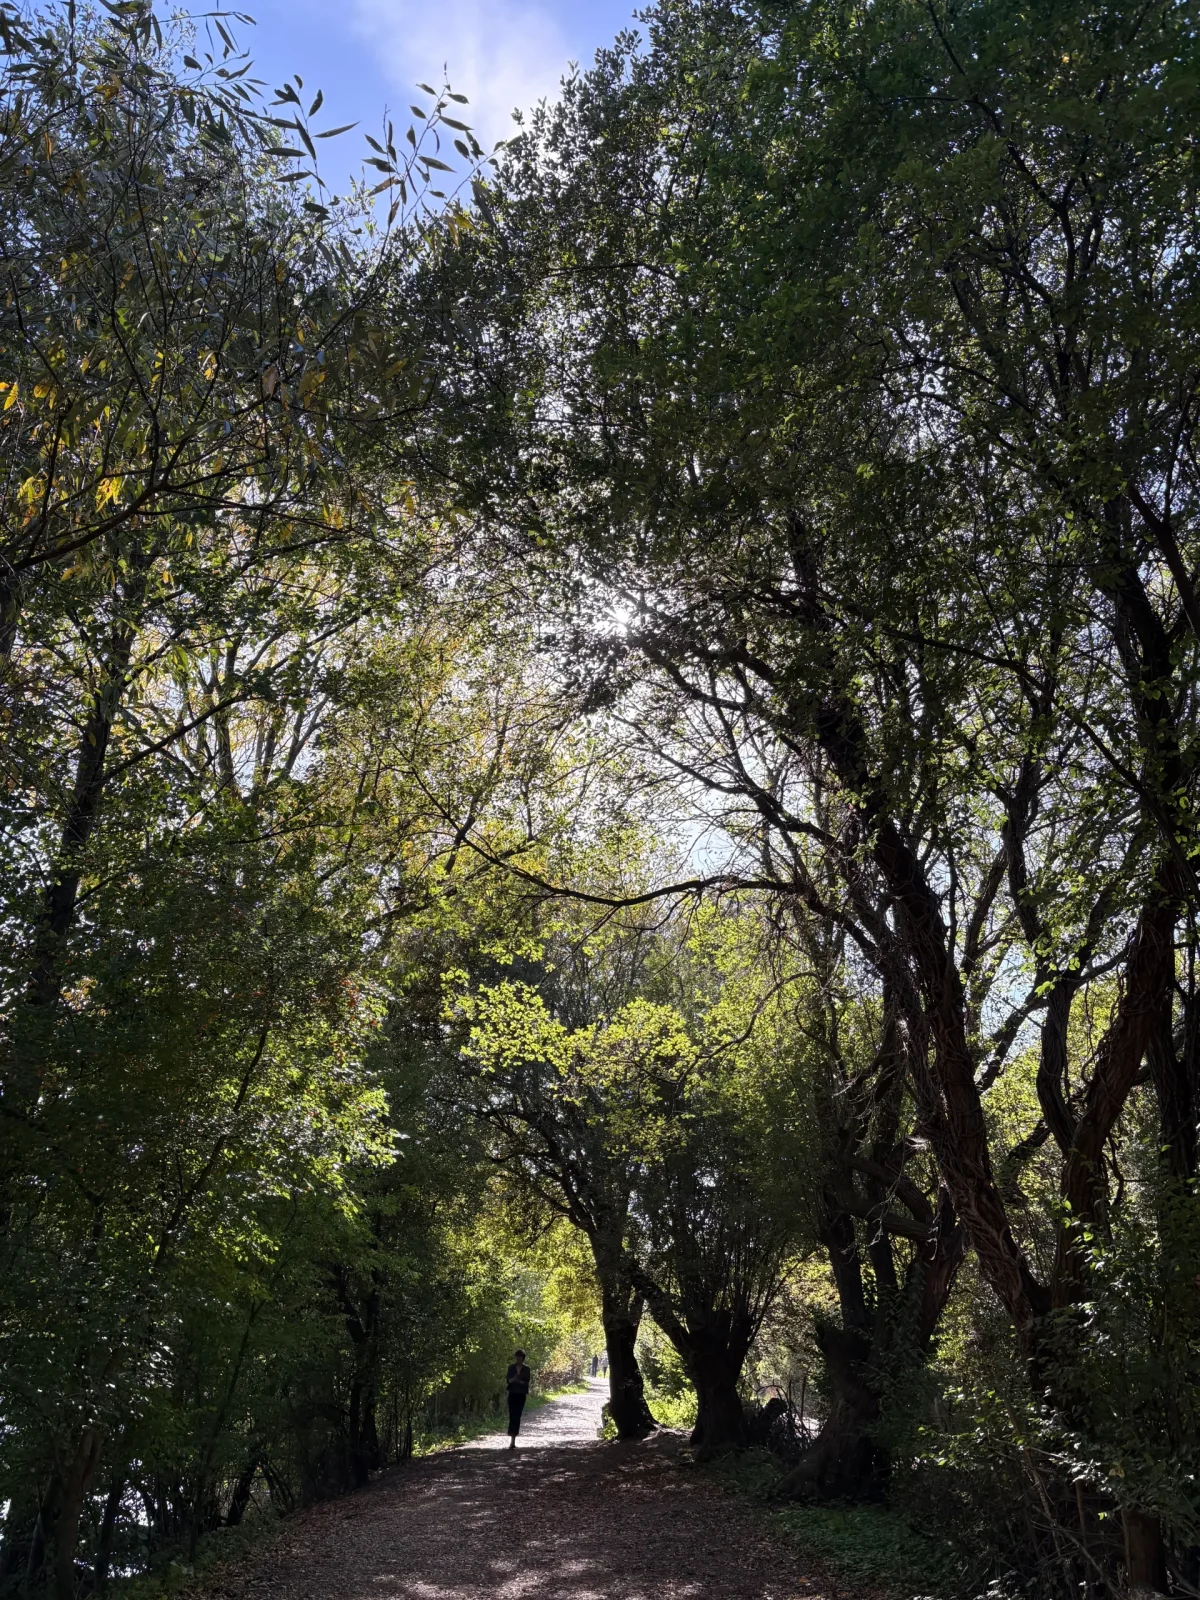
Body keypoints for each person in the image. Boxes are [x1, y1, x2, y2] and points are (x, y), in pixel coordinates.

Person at [505, 1349, 531, 1449]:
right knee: (512, 1415)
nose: (518, 1358)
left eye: (520, 1357)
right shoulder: (511, 1367)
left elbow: (526, 1382)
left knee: (517, 1415)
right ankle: (512, 1440)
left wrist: (518, 1381)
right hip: (512, 1394)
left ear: (523, 1358)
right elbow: (508, 1380)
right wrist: (513, 1380)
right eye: (517, 1356)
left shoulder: (527, 1369)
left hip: (521, 1395)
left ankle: (513, 1439)